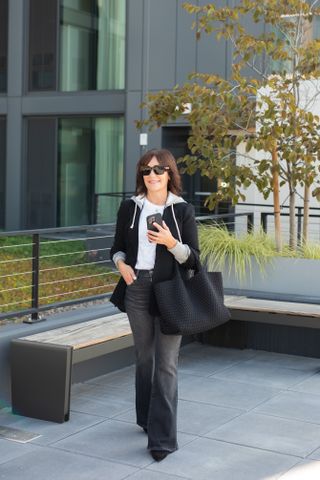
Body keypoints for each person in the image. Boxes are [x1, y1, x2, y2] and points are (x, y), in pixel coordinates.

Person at [110, 148, 199, 462]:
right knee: (144, 357)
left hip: (170, 291)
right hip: (137, 289)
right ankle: (146, 418)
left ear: (170, 174)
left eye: (159, 170)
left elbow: (194, 259)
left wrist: (172, 244)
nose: (152, 175)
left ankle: (161, 438)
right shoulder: (129, 207)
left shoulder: (182, 210)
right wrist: (121, 265)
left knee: (166, 364)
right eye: (146, 171)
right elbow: (117, 249)